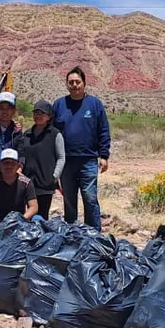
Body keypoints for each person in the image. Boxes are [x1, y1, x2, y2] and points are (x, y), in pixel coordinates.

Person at [51, 66, 111, 229]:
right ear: (66, 84)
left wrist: (104, 155)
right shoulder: (59, 105)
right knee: (69, 200)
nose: (74, 85)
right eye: (71, 82)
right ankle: (72, 233)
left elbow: (103, 130)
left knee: (90, 199)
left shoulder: (94, 104)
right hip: (65, 161)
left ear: (84, 83)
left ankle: (93, 234)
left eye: (77, 82)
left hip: (88, 160)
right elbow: (51, 132)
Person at [19, 100, 65, 220]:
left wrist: (54, 176)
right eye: (36, 113)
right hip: (29, 183)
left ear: (49, 116)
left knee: (42, 217)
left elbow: (61, 158)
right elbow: (22, 154)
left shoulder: (55, 134)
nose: (38, 116)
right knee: (28, 216)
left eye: (42, 113)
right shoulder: (27, 134)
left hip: (45, 184)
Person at [0, 148, 38, 224]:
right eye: (6, 163)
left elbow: (34, 207)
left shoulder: (26, 183)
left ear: (18, 165)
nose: (9, 166)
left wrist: (21, 220)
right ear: (0, 164)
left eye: (13, 163)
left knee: (38, 219)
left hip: (19, 221)